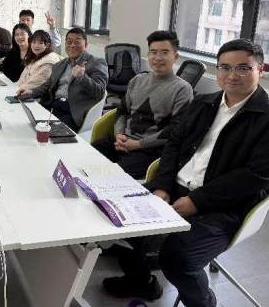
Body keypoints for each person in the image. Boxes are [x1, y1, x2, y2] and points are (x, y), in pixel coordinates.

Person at [102, 39, 269, 307]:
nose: (232, 75)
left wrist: (197, 201)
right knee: (114, 216)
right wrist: (162, 186)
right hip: (176, 187)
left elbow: (255, 176)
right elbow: (174, 146)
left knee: (178, 259)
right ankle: (142, 282)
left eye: (243, 68)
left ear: (260, 69)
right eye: (225, 67)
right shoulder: (203, 103)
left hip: (224, 206)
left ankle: (203, 302)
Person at [92, 31, 193, 179]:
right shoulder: (137, 80)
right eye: (154, 52)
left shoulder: (182, 89)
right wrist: (118, 134)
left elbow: (175, 129)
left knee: (109, 177)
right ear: (148, 54)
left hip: (149, 150)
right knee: (85, 159)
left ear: (175, 57)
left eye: (165, 52)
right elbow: (122, 111)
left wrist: (137, 144)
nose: (158, 58)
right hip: (121, 141)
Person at [17, 27, 108, 132]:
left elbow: (99, 92)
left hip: (72, 112)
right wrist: (31, 92)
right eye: (69, 42)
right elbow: (48, 85)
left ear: (86, 45)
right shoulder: (59, 65)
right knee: (27, 126)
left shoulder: (97, 63)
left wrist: (82, 77)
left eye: (77, 42)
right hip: (52, 105)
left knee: (50, 134)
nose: (72, 45)